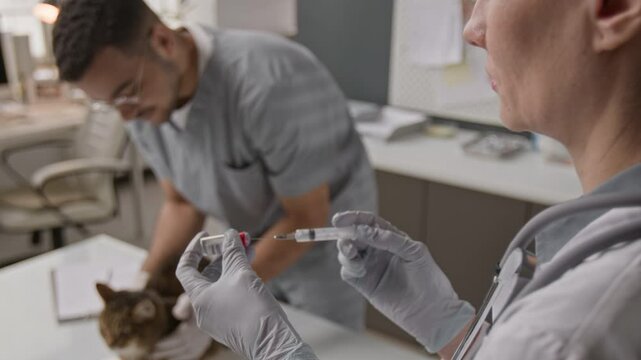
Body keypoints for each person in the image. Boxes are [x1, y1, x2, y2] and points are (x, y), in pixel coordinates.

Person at [175, 0, 641, 358]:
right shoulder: (602, 237)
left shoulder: (565, 329)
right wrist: (455, 331)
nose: (472, 29)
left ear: (614, 7)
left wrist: (275, 349)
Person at [52, 0, 377, 356]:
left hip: (323, 255)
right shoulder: (142, 108)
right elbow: (181, 202)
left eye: (127, 92)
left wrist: (225, 296)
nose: (125, 115)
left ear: (163, 42)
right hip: (253, 247)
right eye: (108, 104)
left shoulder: (268, 81)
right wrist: (143, 280)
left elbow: (306, 216)